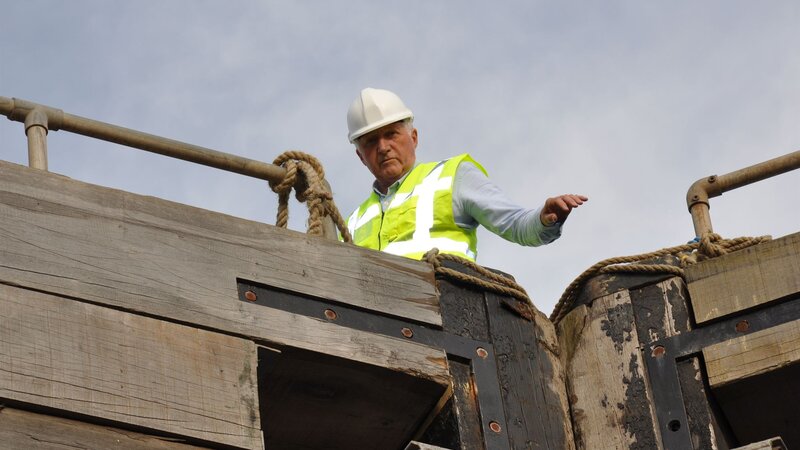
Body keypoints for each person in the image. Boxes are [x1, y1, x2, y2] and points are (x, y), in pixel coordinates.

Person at [345, 87, 587, 262]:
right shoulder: (351, 223)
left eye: (391, 134)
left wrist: (543, 219)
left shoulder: (453, 177)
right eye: (371, 141)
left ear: (414, 138)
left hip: (444, 313)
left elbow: (515, 224)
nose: (383, 147)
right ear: (360, 156)